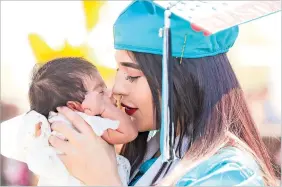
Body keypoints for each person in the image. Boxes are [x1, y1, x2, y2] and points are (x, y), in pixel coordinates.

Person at [43, 1, 278, 186]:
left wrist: (104, 181)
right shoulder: (147, 157)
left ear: (181, 77)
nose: (117, 89)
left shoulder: (228, 174)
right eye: (118, 71)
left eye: (133, 75)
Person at [1, 57, 137, 186]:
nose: (110, 92)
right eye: (101, 91)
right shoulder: (91, 123)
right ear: (74, 107)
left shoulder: (50, 128)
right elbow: (129, 132)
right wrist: (104, 107)